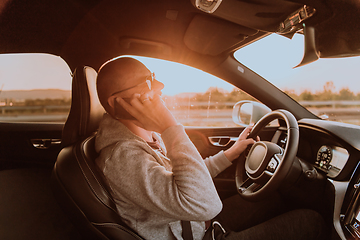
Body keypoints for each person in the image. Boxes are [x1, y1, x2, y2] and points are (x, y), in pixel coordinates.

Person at [95, 57, 326, 240]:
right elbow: (205, 204)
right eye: (146, 82)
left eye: (153, 77)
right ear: (117, 102)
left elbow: (182, 179)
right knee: (310, 222)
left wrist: (229, 154)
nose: (160, 85)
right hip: (197, 230)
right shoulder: (122, 157)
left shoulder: (142, 134)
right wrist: (169, 126)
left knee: (276, 199)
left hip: (193, 223)